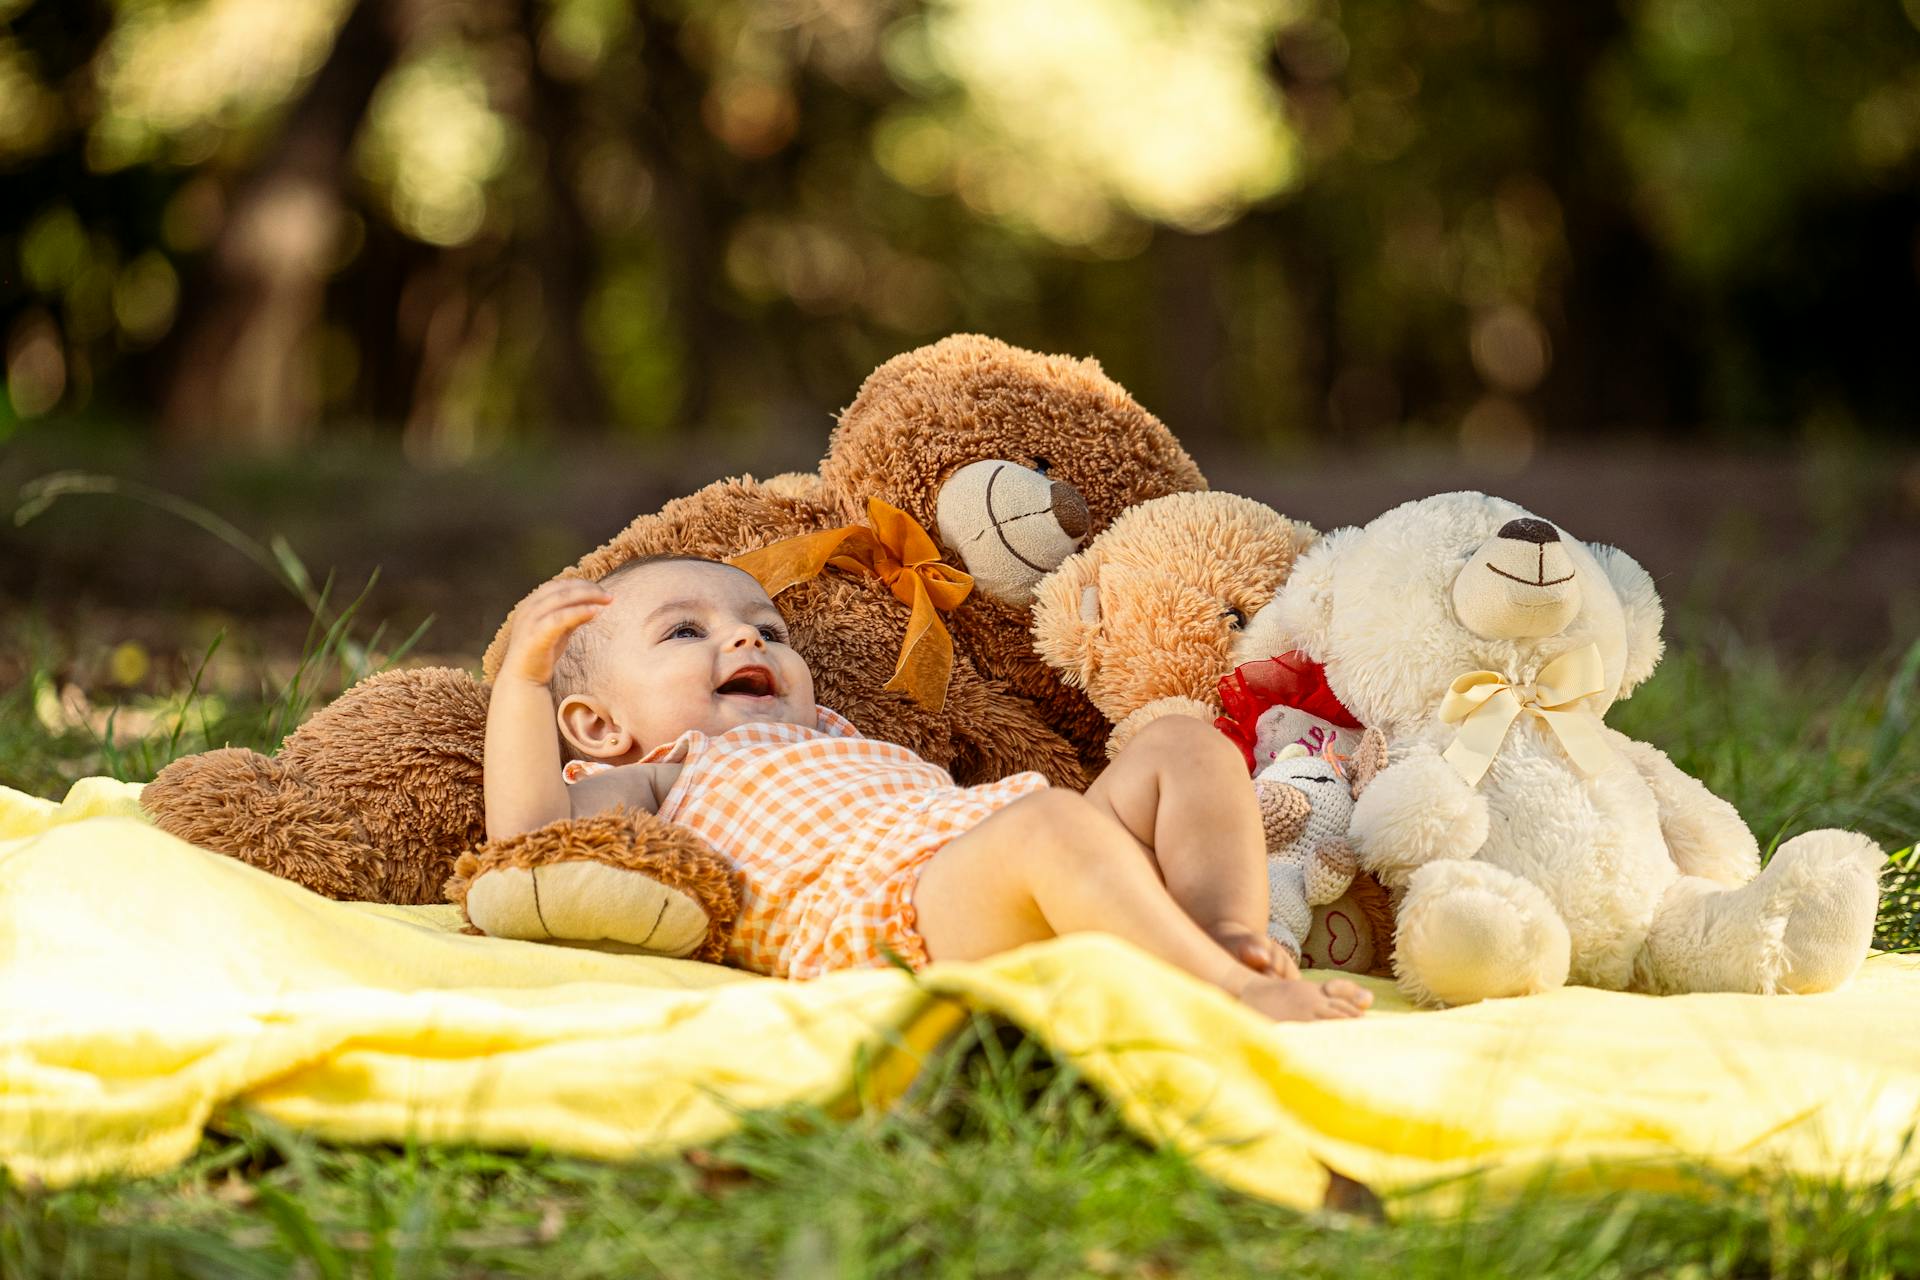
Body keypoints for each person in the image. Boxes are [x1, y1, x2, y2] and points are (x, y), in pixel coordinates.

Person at [485, 555, 1372, 1022]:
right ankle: (1232, 997)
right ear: (598, 727)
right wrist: (523, 683)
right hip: (895, 918)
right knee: (1050, 826)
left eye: (767, 627)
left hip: (987, 849)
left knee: (1182, 743)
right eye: (685, 632)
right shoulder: (655, 779)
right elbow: (525, 841)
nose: (749, 643)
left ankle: (1228, 937)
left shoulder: (837, 736)